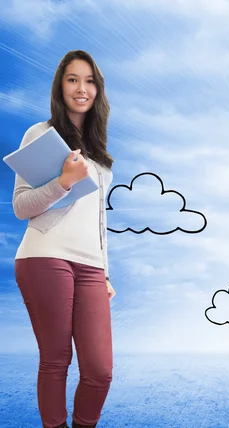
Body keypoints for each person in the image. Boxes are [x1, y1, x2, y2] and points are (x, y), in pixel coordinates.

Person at [12, 50, 115, 428]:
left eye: (89, 80)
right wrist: (63, 182)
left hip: (90, 266)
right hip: (44, 255)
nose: (81, 88)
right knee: (56, 360)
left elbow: (99, 223)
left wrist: (105, 272)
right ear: (60, 87)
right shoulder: (40, 135)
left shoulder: (102, 157)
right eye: (72, 79)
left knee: (100, 370)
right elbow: (22, 207)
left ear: (98, 90)